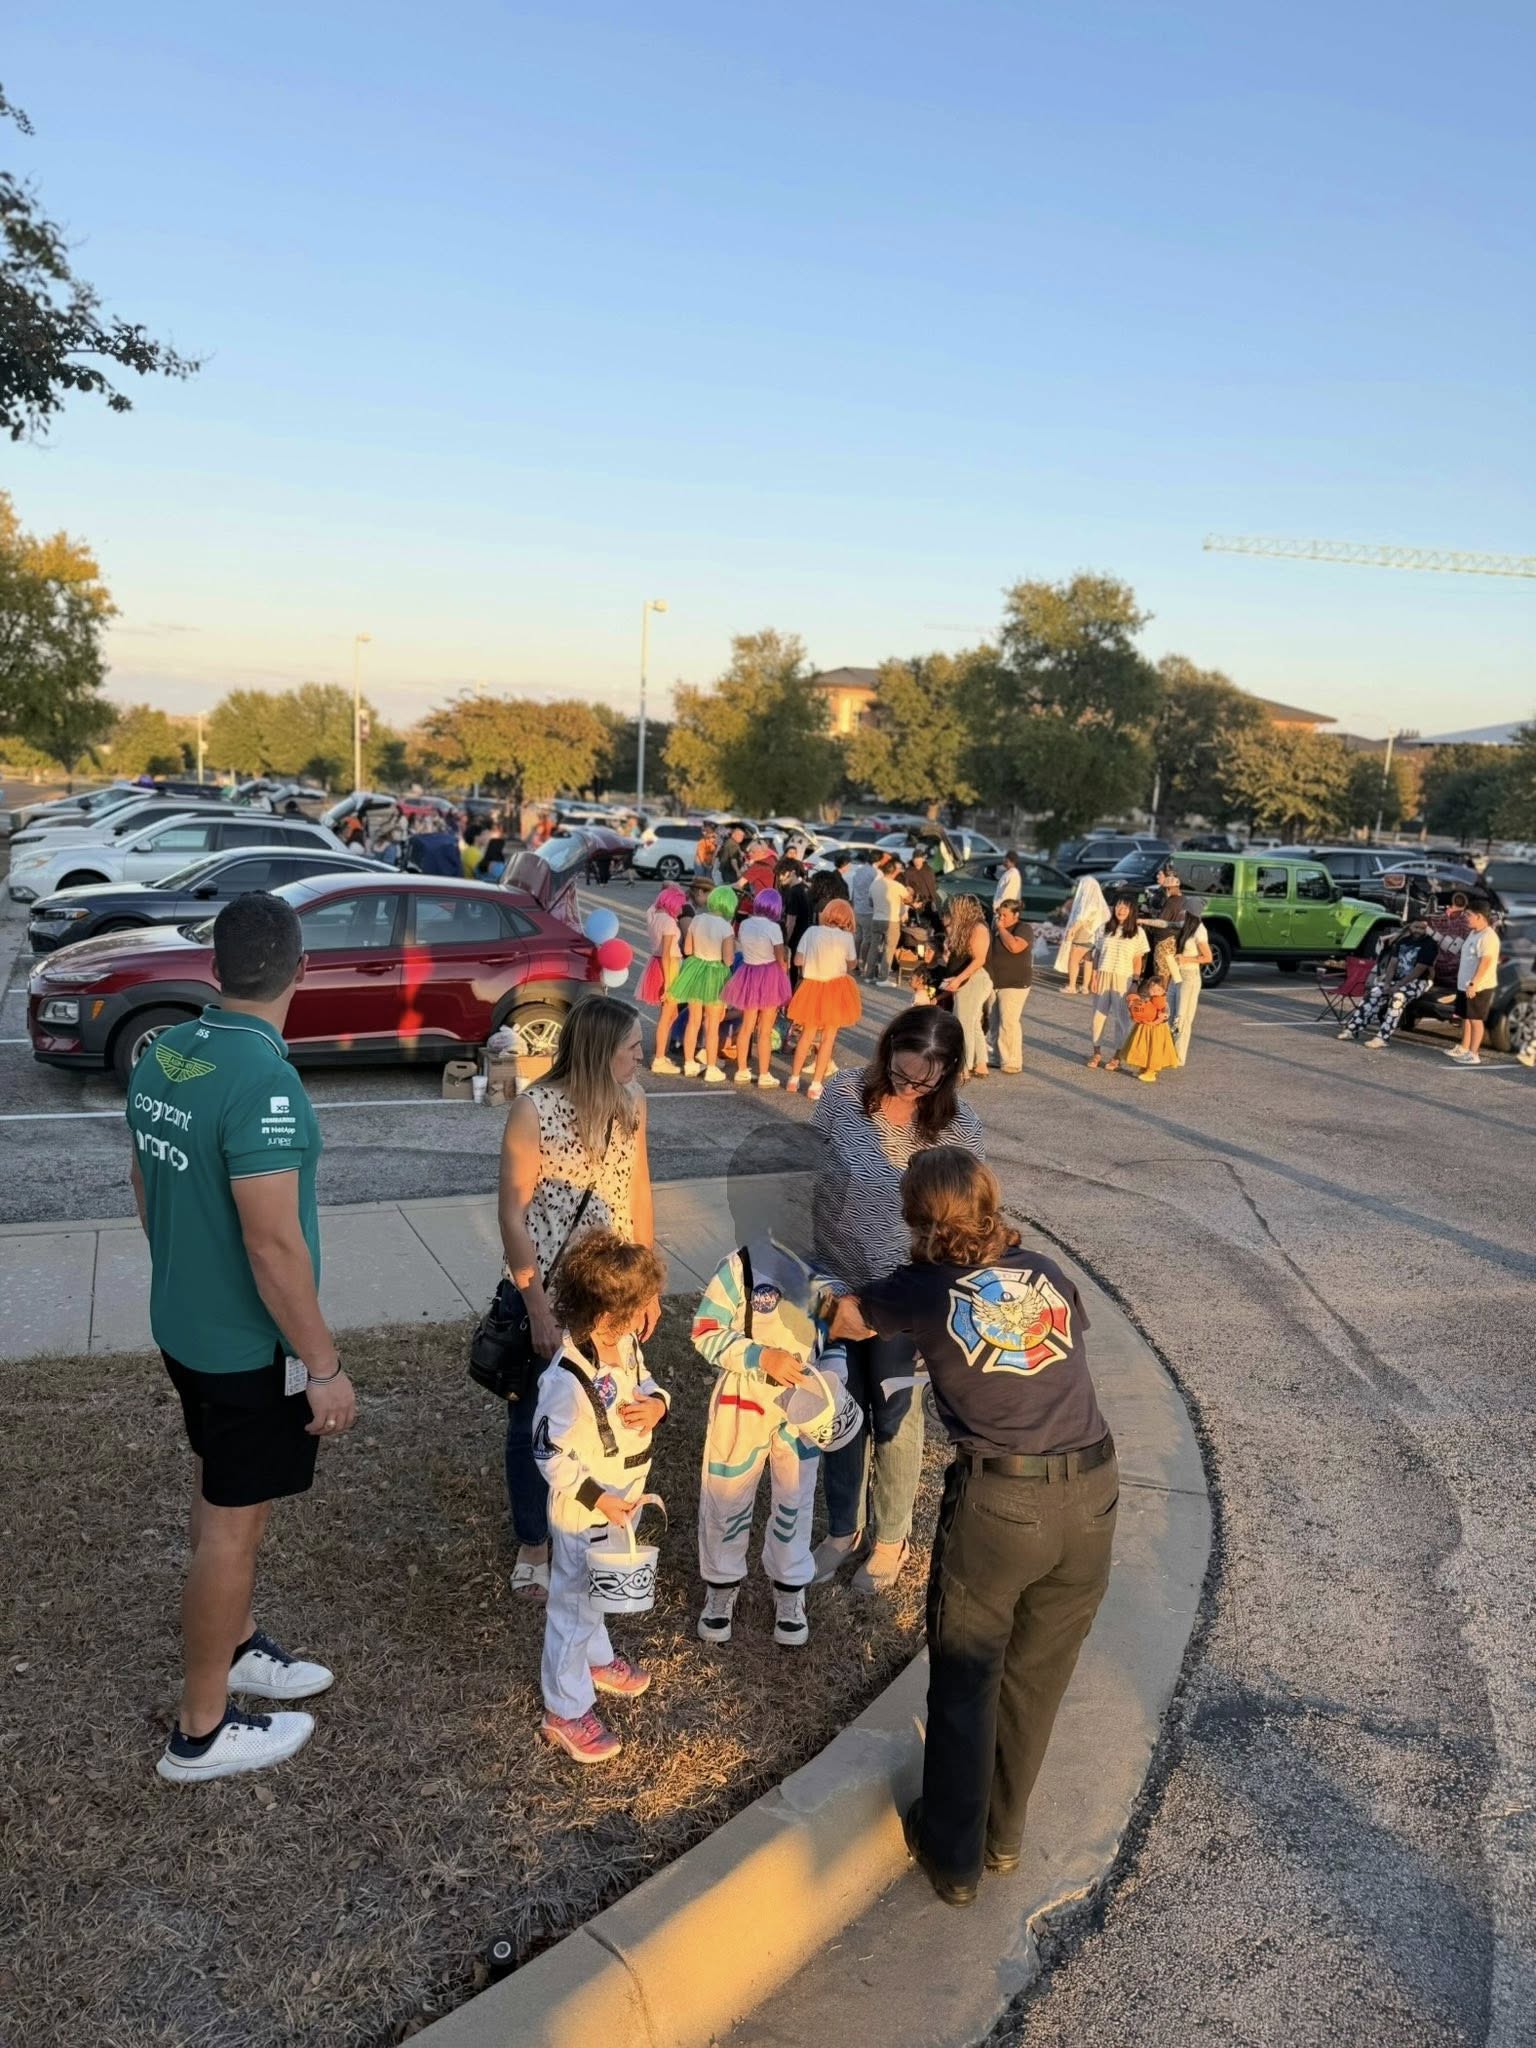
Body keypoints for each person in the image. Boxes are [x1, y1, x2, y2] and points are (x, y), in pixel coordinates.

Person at [831, 1149, 1116, 1905]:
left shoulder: (921, 1286)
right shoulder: (1046, 1271)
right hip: (1094, 1491)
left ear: (914, 1218)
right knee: (1038, 1676)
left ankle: (953, 1856)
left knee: (967, 1676)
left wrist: (830, 1292)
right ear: (990, 1203)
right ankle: (1004, 1836)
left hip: (1003, 1501)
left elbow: (851, 1319)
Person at [127, 894, 356, 1784]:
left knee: (225, 1496)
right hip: (239, 1351)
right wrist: (325, 1369)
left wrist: (184, 1271)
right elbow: (272, 1243)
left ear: (214, 970)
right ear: (303, 971)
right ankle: (201, 1730)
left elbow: (144, 1183)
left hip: (183, 1326)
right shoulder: (265, 1082)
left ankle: (235, 1643)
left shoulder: (168, 1049)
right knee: (231, 1527)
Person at [811, 1008, 983, 1597]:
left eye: (922, 1081)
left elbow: (962, 1226)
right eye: (900, 1072)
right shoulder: (841, 1096)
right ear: (887, 1050)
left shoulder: (960, 1130)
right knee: (840, 1410)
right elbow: (810, 1176)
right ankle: (842, 1531)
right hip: (835, 1282)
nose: (907, 1087)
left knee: (895, 1419)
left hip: (908, 1295)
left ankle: (890, 1540)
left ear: (948, 1074)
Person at [496, 997, 659, 1603]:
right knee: (534, 1420)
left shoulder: (634, 1101)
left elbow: (638, 1192)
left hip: (613, 1292)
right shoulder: (533, 1109)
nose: (642, 1056)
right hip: (552, 1291)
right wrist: (535, 1304)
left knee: (604, 1411)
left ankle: (593, 1517)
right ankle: (533, 1543)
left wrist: (648, 1285)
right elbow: (512, 1213)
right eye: (632, 1048)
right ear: (598, 1051)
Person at [533, 1231, 669, 1763]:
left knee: (597, 1591)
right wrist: (597, 1497)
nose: (645, 1316)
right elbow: (550, 1454)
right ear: (608, 1310)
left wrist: (657, 1404)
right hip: (586, 1509)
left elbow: (648, 1381)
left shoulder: (625, 1346)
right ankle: (564, 1709)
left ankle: (595, 1656)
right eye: (637, 1307)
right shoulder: (566, 1378)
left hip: (623, 1498)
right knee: (572, 1602)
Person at [691, 1237, 856, 1651]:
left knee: (795, 1498)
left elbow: (833, 1335)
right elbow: (706, 1331)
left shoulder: (820, 1272)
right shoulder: (740, 1268)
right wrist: (761, 1358)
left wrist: (832, 1377)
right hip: (743, 1399)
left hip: (801, 1406)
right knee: (727, 1493)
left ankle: (789, 1588)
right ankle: (721, 1583)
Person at [787, 898, 861, 1098]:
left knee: (807, 1034)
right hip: (835, 988)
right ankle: (815, 1085)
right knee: (828, 1037)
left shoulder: (811, 932)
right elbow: (852, 963)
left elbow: (798, 960)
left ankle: (793, 1079)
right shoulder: (846, 938)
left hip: (811, 986)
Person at [724, 885, 791, 1088]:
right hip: (769, 975)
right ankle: (764, 1073)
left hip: (749, 972)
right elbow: (780, 960)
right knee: (765, 1029)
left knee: (746, 1026)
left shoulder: (744, 925)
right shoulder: (773, 928)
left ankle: (742, 1070)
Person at [672, 885, 739, 1082]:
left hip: (695, 970)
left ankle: (689, 1063)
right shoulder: (726, 927)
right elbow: (728, 960)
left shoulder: (697, 919)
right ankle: (710, 1067)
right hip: (716, 974)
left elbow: (688, 948)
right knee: (712, 1024)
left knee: (693, 1021)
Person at [1341, 917, 1438, 1052]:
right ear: (1410, 927)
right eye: (1416, 927)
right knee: (1374, 993)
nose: (1419, 931)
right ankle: (1352, 1029)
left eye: (1422, 928)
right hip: (1396, 979)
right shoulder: (1402, 942)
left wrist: (1398, 985)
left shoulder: (1429, 944)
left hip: (1419, 981)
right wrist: (1387, 984)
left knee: (1398, 998)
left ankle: (1382, 1037)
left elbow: (1419, 969)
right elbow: (1392, 964)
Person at [1086, 897, 1149, 1068]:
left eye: (1125, 907)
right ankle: (1096, 1052)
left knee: (1121, 1018)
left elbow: (1138, 959)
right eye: (1118, 906)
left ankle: (1117, 1056)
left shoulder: (1137, 932)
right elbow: (1097, 953)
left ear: (1131, 911)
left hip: (1124, 978)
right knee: (1097, 1016)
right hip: (1103, 975)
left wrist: (1135, 982)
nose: (1121, 910)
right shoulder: (1104, 928)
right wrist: (1094, 976)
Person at [937, 894, 994, 1079]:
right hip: (968, 979)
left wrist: (958, 979)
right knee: (973, 1023)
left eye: (955, 907)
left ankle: (963, 1067)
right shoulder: (967, 928)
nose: (953, 911)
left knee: (963, 1024)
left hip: (974, 980)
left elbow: (979, 960)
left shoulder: (978, 928)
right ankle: (980, 1064)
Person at [639, 884, 688, 1074]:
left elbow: (652, 906)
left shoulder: (653, 916)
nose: (681, 908)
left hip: (658, 963)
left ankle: (661, 1054)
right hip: (669, 966)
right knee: (667, 1015)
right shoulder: (668, 921)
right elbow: (667, 953)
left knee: (670, 1014)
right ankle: (659, 1057)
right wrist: (669, 985)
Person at [1448, 899, 1500, 1066]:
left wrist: (1474, 984)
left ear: (1479, 916)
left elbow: (1486, 962)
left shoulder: (1488, 936)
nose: (1466, 918)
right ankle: (1464, 1048)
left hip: (1478, 986)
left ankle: (1474, 1054)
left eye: (1469, 915)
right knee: (1467, 1018)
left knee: (1476, 1020)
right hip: (1465, 984)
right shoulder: (1474, 933)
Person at [987, 900, 1034, 1073]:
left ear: (1016, 915)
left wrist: (1001, 929)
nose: (1001, 918)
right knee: (994, 1021)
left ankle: (1012, 1061)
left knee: (1008, 1022)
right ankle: (997, 1056)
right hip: (995, 982)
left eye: (1005, 915)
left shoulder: (1023, 928)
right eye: (999, 914)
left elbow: (1015, 947)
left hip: (1015, 983)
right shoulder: (995, 928)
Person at [1167, 901, 1211, 1065]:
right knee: (1169, 1013)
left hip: (1190, 976)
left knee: (1182, 1017)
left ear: (1191, 913)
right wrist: (1142, 921)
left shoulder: (1200, 930)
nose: (1180, 912)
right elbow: (1165, 924)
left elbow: (1208, 957)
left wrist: (1186, 959)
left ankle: (1178, 1057)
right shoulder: (1183, 926)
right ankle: (1168, 1051)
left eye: (1184, 909)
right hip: (1176, 975)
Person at [1054, 873, 1109, 995]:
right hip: (1092, 934)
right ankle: (1085, 987)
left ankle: (1072, 986)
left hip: (1082, 932)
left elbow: (1081, 917)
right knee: (1088, 959)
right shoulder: (1097, 901)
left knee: (1073, 959)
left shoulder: (1087, 901)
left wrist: (1072, 929)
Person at [1119, 972, 1178, 1082]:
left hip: (1156, 1029)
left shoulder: (1163, 1003)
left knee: (1154, 1049)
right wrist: (1135, 1012)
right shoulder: (1147, 1000)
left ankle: (1151, 1071)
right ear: (1148, 990)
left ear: (1164, 991)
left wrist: (1155, 1022)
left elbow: (1164, 1015)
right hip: (1145, 1027)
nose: (1155, 993)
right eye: (1153, 990)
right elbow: (1141, 1010)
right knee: (1144, 1048)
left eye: (1158, 990)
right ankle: (1144, 1067)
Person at [863, 856, 907, 986]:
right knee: (889, 949)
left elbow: (870, 902)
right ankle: (883, 978)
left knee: (873, 947)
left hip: (876, 919)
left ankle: (868, 976)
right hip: (891, 921)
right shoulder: (897, 886)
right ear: (894, 872)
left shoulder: (874, 885)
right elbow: (908, 898)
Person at [850, 850, 878, 965]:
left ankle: (855, 961)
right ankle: (864, 962)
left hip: (857, 908)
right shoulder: (874, 873)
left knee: (857, 936)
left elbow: (853, 891)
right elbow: (875, 892)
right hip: (868, 910)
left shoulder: (857, 872)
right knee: (868, 938)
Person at [903, 846, 938, 912]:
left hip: (928, 902)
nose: (917, 861)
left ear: (923, 859)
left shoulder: (928, 870)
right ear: (912, 860)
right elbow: (906, 888)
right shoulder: (908, 872)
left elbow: (933, 886)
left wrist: (933, 900)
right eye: (915, 859)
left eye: (919, 858)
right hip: (914, 903)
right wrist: (912, 902)